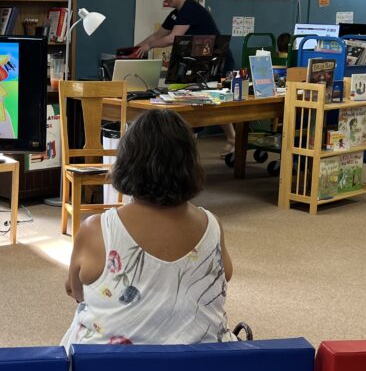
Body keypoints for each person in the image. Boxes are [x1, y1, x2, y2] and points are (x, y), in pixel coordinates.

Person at [61, 109, 235, 346]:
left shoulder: (97, 229)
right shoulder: (212, 226)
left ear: (126, 162)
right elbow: (225, 276)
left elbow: (74, 289)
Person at [134, 0, 235, 155]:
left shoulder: (190, 10)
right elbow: (157, 35)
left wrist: (149, 46)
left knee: (215, 101)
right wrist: (135, 49)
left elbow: (173, 38)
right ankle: (226, 139)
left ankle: (231, 138)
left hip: (216, 59)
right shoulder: (175, 14)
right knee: (201, 99)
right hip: (199, 60)